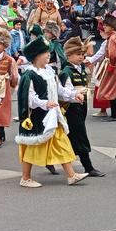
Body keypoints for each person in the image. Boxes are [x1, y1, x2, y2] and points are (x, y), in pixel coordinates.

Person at [15, 36, 88, 188]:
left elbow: (59, 91)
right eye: (45, 53)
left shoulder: (51, 71)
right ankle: (25, 177)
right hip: (39, 117)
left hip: (54, 115)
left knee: (61, 143)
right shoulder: (30, 75)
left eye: (48, 52)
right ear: (36, 56)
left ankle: (71, 175)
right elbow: (29, 98)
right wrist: (44, 104)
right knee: (33, 145)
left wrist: (74, 95)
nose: (48, 55)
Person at [59, 37, 105, 178]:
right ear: (68, 55)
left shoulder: (81, 69)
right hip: (71, 107)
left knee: (71, 136)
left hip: (81, 105)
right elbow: (63, 94)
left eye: (82, 54)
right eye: (77, 54)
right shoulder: (66, 72)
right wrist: (75, 95)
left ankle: (52, 161)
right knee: (80, 135)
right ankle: (88, 166)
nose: (81, 57)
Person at [89, 14, 116, 121]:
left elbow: (113, 55)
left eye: (106, 25)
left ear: (112, 26)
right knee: (111, 90)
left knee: (109, 90)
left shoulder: (113, 38)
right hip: (112, 64)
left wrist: (111, 65)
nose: (104, 27)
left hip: (112, 65)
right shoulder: (112, 37)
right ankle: (115, 113)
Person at [0, 27, 19, 144]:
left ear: (5, 45)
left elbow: (14, 75)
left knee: (1, 109)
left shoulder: (10, 59)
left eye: (0, 44)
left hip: (3, 85)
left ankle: (0, 133)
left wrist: (11, 86)